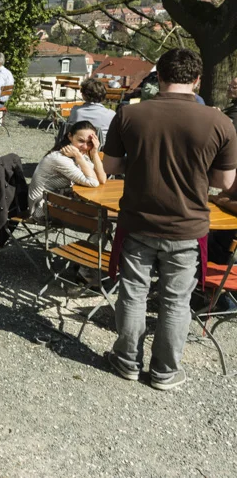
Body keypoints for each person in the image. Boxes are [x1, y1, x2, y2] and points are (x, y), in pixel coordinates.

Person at [102, 48, 237, 390]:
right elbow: (224, 182)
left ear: (158, 77)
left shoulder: (129, 115)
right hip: (187, 226)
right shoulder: (221, 122)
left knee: (133, 295)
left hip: (137, 221)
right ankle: (164, 372)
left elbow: (111, 167)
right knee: (176, 302)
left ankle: (127, 361)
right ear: (197, 80)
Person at [27, 120, 106, 222]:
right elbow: (93, 182)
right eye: (81, 141)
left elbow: (102, 179)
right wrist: (79, 157)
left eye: (90, 143)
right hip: (41, 210)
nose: (85, 147)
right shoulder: (60, 158)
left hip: (58, 202)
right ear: (70, 136)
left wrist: (95, 152)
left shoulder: (79, 154)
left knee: (101, 217)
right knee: (100, 220)